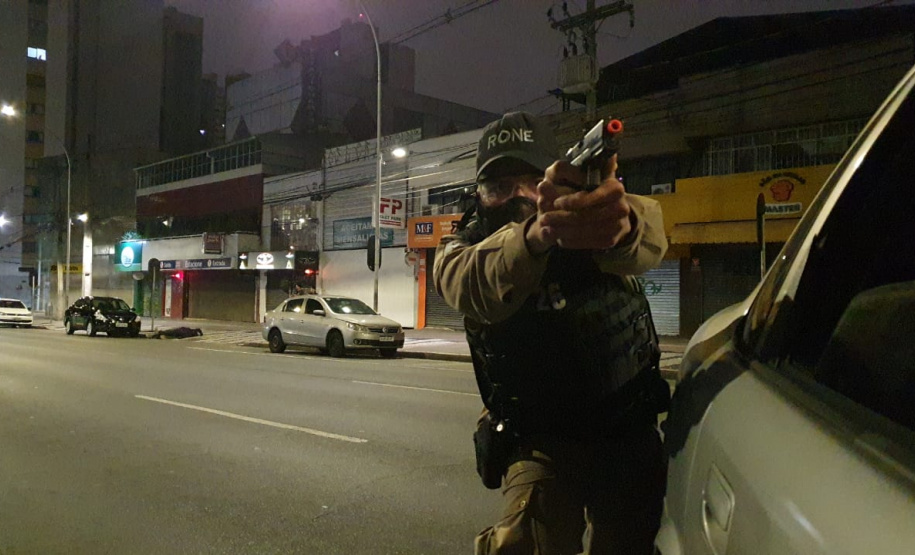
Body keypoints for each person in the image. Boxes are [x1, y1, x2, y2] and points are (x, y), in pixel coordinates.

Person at [433, 111, 670, 554]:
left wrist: (622, 227)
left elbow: (649, 234)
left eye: (528, 181)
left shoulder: (591, 213)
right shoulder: (462, 246)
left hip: (626, 427)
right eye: (497, 187)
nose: (515, 196)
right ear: (479, 195)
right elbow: (465, 280)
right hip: (540, 438)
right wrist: (539, 233)